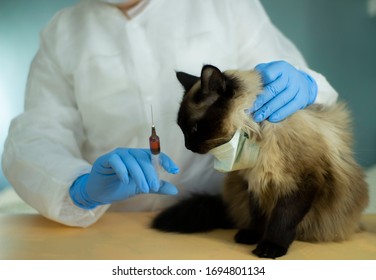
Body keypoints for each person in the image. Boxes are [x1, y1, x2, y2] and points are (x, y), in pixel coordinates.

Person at [2, 0, 338, 227]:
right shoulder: (63, 32)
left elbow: (303, 101)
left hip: (228, 219)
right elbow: (36, 133)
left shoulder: (225, 6)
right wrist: (78, 186)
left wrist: (307, 85)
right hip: (111, 226)